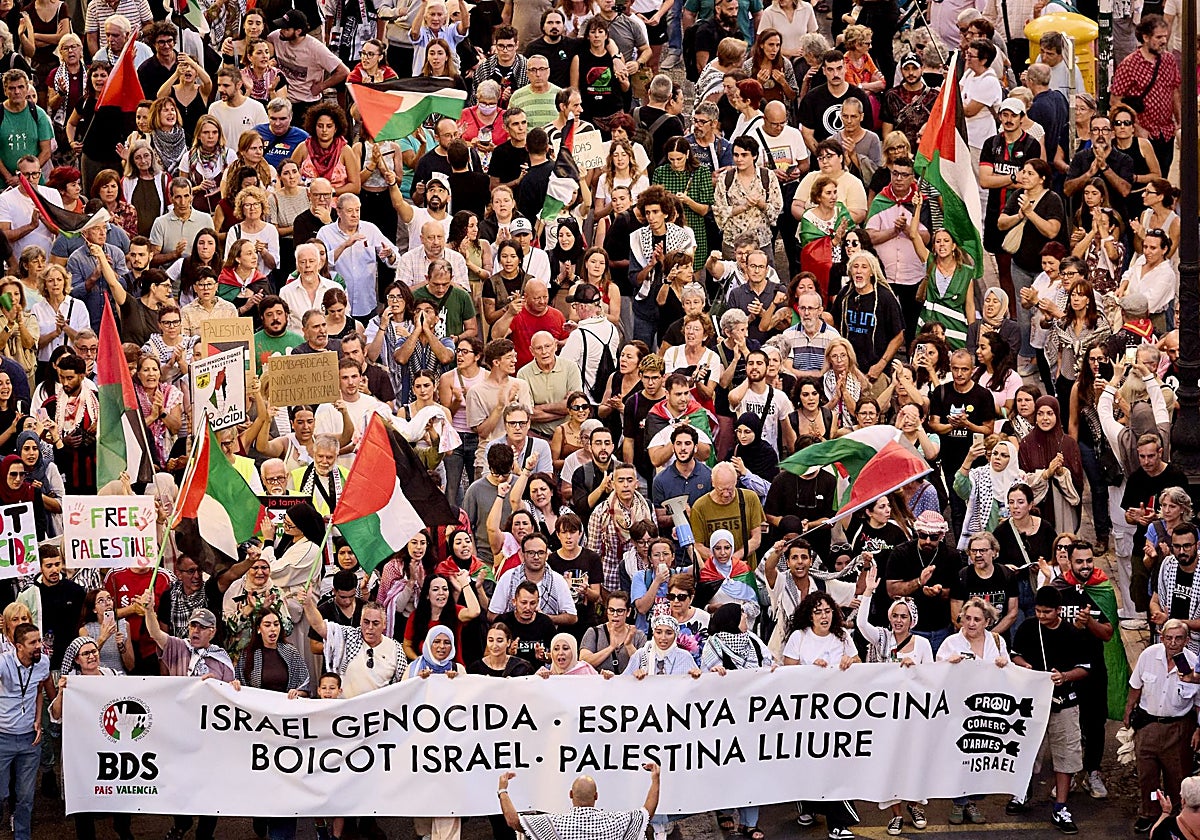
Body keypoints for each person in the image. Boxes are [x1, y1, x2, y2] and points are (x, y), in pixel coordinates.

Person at [1125, 618, 1200, 834]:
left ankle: (1175, 815)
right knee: (1147, 775)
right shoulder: (1149, 655)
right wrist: (1129, 710)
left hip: (1178, 728)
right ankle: (1150, 811)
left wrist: (1198, 730)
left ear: (1186, 640)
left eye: (1178, 638)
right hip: (1148, 725)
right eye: (1169, 638)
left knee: (1177, 776)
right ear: (1161, 636)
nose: (1173, 643)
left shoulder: (1193, 663)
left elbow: (1198, 703)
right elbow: (1135, 685)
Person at [498, 763, 661, 840]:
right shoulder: (616, 822)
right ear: (596, 796)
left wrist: (503, 790)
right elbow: (648, 812)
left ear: (570, 794)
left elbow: (513, 821)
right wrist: (655, 779)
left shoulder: (555, 824)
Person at [0, 622, 52, 840]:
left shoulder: (43, 662)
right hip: (3, 738)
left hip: (30, 739)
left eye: (39, 640)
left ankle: (22, 836)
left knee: (25, 796)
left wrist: (38, 719)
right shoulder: (3, 663)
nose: (39, 645)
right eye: (33, 642)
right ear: (17, 646)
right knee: (1, 795)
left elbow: (39, 690)